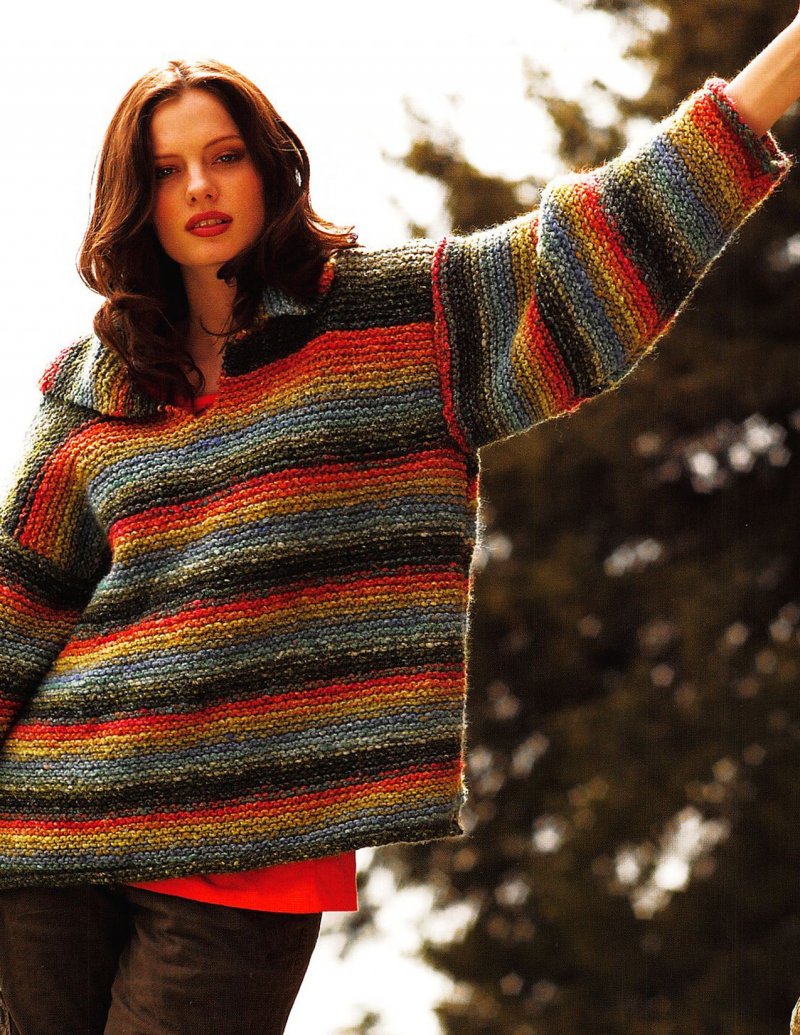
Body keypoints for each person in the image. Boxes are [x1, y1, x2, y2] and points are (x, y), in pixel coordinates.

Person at [0, 7, 799, 1031]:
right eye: (166, 169)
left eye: (224, 156)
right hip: (52, 836)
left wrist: (778, 70)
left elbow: (585, 247)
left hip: (253, 855)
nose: (199, 186)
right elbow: (16, 607)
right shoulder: (95, 384)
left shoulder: (392, 318)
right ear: (133, 197)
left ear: (269, 168)